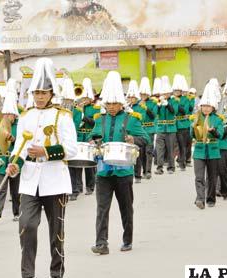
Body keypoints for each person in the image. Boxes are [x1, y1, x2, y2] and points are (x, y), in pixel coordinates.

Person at [5, 58, 77, 278]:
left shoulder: (63, 116)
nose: (39, 97)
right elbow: (19, 147)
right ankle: (28, 274)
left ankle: (57, 273)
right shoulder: (26, 116)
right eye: (36, 93)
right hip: (29, 181)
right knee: (26, 227)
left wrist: (46, 152)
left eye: (43, 93)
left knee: (57, 233)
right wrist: (14, 164)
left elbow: (72, 149)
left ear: (51, 94)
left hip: (55, 181)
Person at [89, 71, 150, 255]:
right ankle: (101, 243)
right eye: (108, 103)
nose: (111, 107)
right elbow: (92, 136)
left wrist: (133, 139)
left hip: (123, 172)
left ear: (121, 103)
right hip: (103, 172)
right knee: (102, 209)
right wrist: (93, 142)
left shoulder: (131, 119)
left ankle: (127, 239)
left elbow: (145, 138)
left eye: (115, 103)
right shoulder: (100, 119)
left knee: (126, 208)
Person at [0, 79, 21, 223]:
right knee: (0, 188)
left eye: (11, 114)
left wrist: (14, 139)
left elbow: (22, 141)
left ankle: (17, 212)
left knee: (16, 191)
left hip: (14, 161)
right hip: (1, 161)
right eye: (7, 113)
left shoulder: (20, 125)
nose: (9, 116)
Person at [191, 83, 224, 209]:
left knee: (211, 176)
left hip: (213, 150)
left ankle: (211, 198)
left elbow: (220, 134)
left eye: (208, 106)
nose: (205, 108)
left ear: (213, 107)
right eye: (203, 106)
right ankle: (200, 198)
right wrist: (193, 127)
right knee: (199, 176)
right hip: (199, 150)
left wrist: (213, 131)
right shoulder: (196, 117)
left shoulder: (218, 119)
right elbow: (192, 136)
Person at [73, 78, 99, 195]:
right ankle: (77, 187)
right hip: (79, 137)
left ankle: (90, 186)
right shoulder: (76, 108)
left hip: (89, 136)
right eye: (83, 98)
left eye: (86, 98)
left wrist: (84, 117)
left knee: (89, 164)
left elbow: (95, 123)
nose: (84, 100)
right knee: (77, 162)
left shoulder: (95, 109)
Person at [154, 77, 179, 175]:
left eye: (166, 93)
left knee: (170, 148)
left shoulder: (174, 101)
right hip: (160, 128)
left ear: (170, 93)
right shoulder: (159, 101)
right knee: (159, 149)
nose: (164, 95)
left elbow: (174, 111)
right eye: (163, 93)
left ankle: (171, 167)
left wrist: (168, 104)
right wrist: (159, 105)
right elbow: (155, 113)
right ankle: (159, 167)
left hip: (170, 128)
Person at [173, 74, 191, 171]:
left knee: (182, 144)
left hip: (183, 124)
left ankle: (182, 162)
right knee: (176, 145)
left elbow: (185, 110)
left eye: (178, 90)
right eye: (175, 90)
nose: (176, 92)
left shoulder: (185, 99)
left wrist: (177, 103)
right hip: (173, 125)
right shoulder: (171, 99)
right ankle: (176, 160)